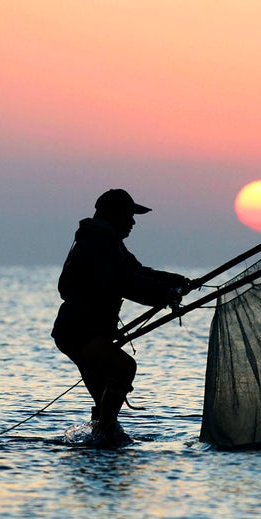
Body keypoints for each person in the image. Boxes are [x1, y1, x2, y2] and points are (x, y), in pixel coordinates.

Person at [52, 189, 188, 441]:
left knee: (105, 391)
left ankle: (100, 442)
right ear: (111, 214)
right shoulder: (98, 243)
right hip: (80, 332)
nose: (133, 222)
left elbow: (137, 272)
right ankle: (105, 436)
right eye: (129, 215)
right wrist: (163, 294)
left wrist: (176, 281)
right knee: (124, 367)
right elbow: (124, 282)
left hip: (78, 330)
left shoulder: (107, 241)